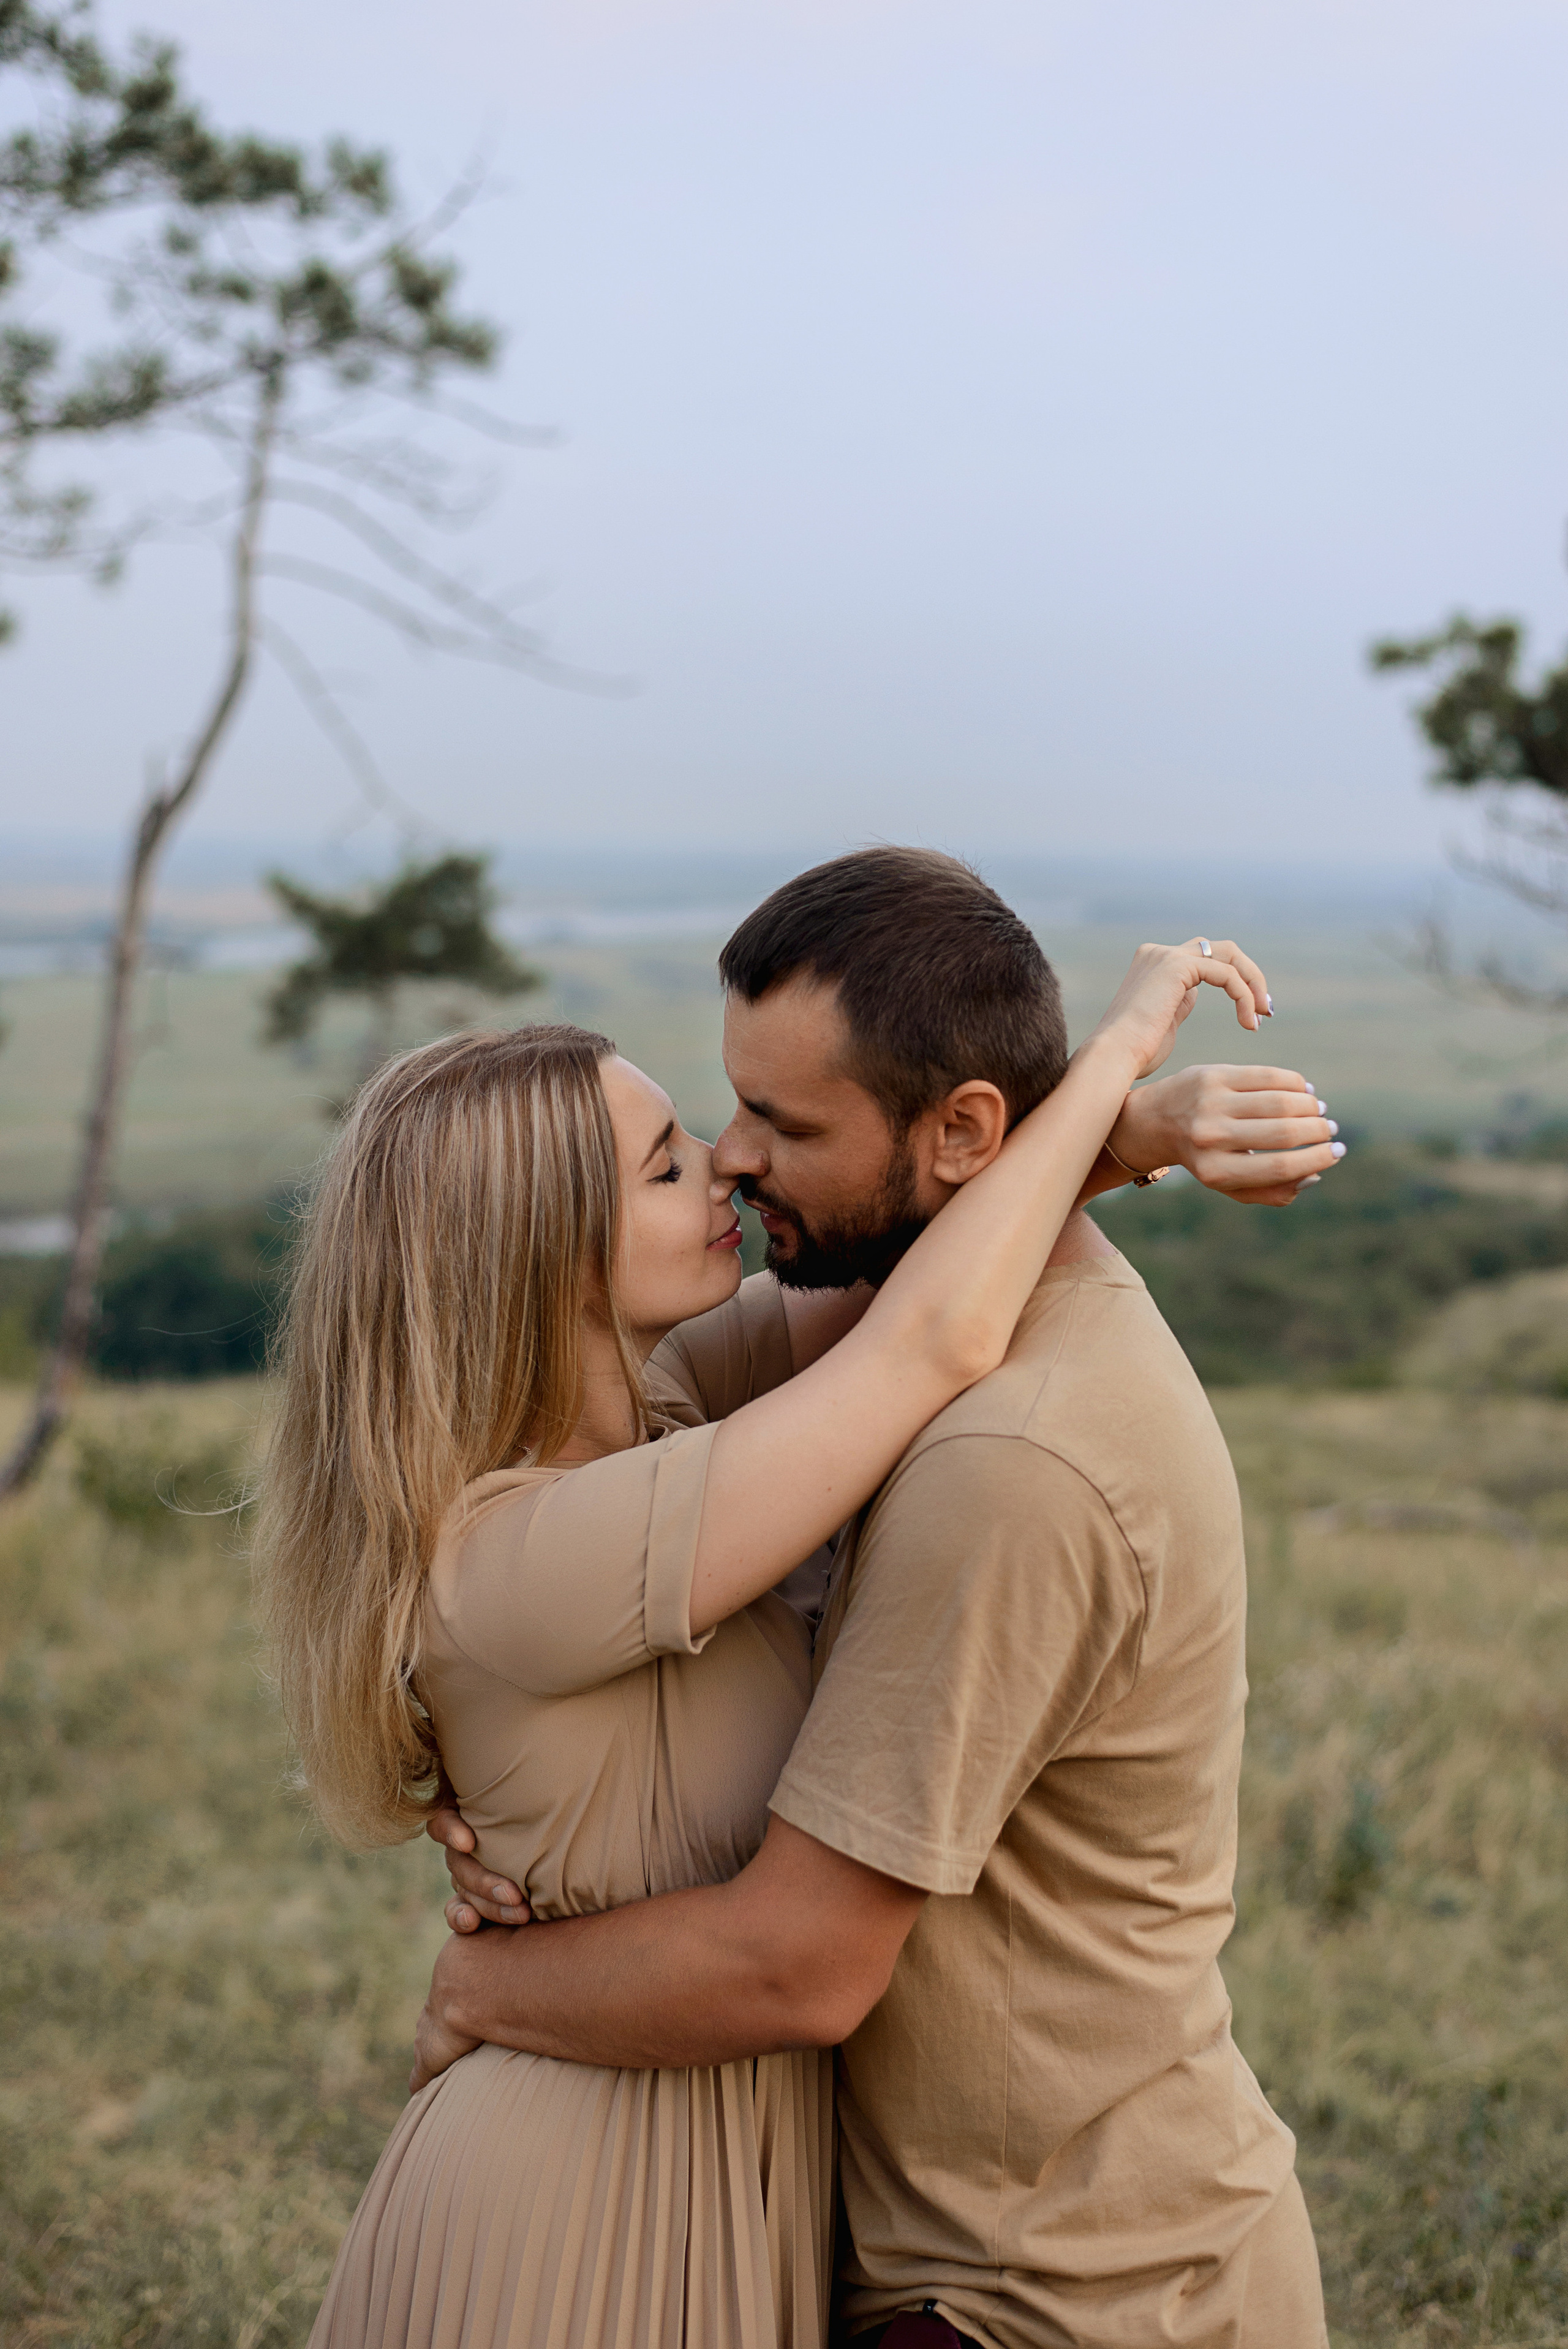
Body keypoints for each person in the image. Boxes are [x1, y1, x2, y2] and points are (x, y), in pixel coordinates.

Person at [421, 850, 1336, 2349]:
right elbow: (906, 1314)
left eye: (780, 1122)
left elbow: (798, 1962)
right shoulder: (875, 1334)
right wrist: (1120, 1132)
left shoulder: (1012, 1461)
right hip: (945, 2255)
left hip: (1041, 2296)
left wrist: (485, 1985)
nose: (729, 1157)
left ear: (967, 1132)